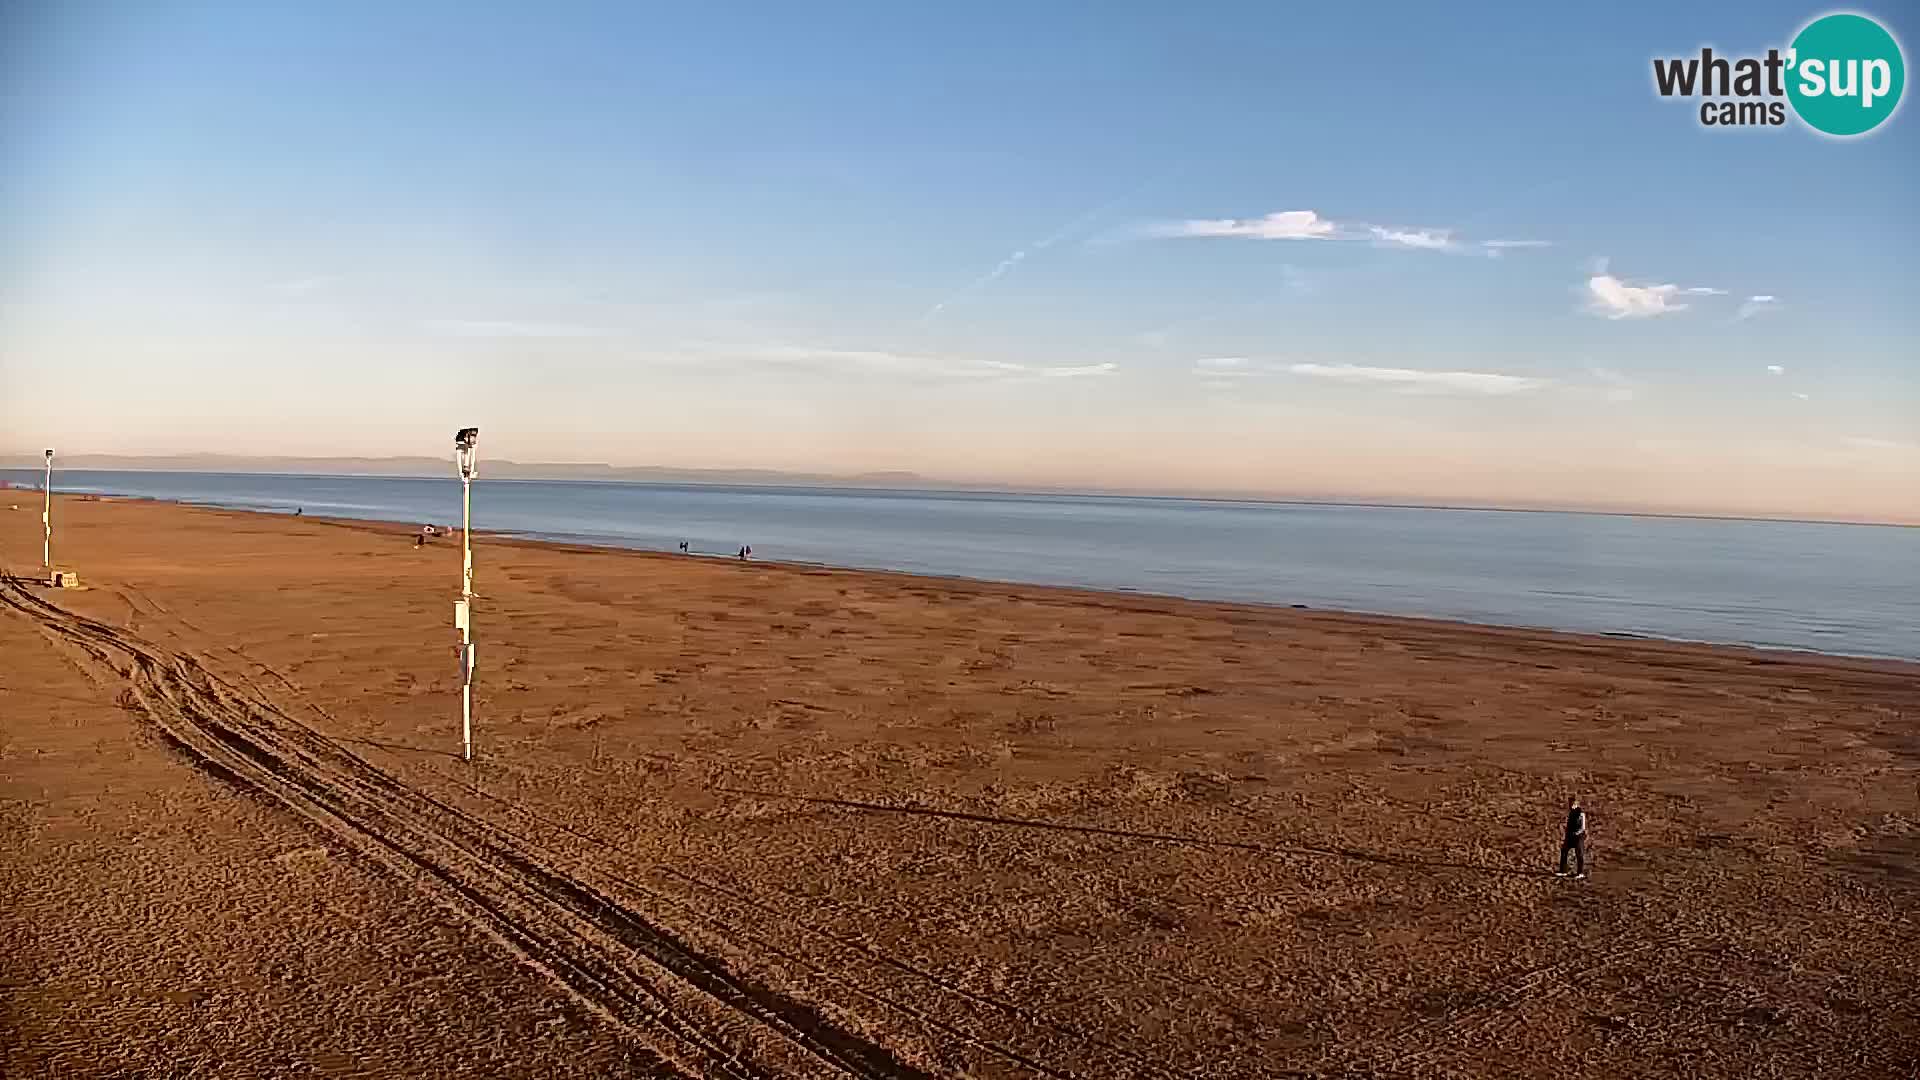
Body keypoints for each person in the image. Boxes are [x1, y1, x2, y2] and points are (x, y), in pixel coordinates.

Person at [1557, 797, 1588, 879]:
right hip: (1570, 835)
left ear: (1576, 804)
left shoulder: (1581, 814)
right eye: (1570, 804)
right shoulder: (1571, 813)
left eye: (1572, 804)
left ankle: (1580, 873)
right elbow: (1568, 825)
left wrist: (1576, 834)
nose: (1570, 805)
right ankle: (1563, 871)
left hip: (1578, 836)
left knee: (1579, 854)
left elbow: (1583, 828)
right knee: (1564, 851)